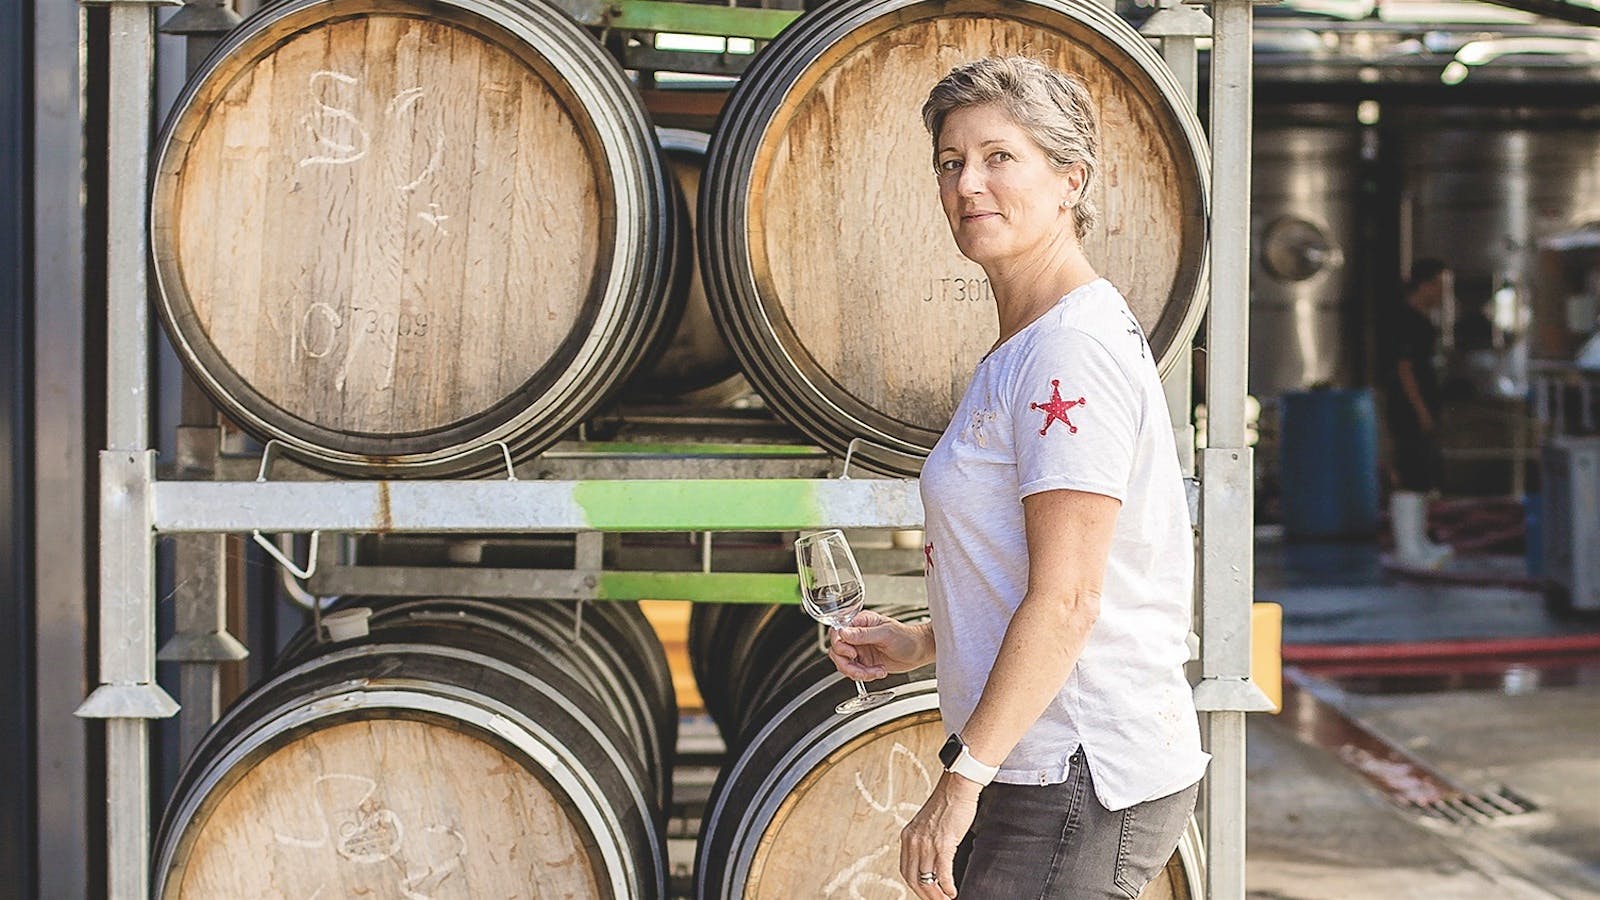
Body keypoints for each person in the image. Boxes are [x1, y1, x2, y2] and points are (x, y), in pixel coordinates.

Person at [827, 56, 1208, 899]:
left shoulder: (1068, 349)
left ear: (1070, 179)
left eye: (1001, 157)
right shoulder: (1029, 344)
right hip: (1042, 760)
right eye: (951, 161)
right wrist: (928, 644)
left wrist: (960, 780)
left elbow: (1071, 599)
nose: (969, 183)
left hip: (1074, 769)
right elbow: (1028, 573)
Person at [1384, 259, 1453, 569]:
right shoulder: (1406, 321)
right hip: (1409, 412)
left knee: (1424, 476)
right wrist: (1421, 410)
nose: (1441, 293)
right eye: (1438, 286)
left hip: (1423, 410)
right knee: (1410, 476)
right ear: (1423, 285)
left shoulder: (1424, 322)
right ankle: (1408, 550)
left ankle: (1419, 541)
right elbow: (1405, 369)